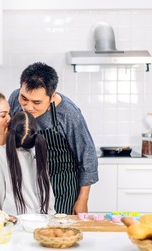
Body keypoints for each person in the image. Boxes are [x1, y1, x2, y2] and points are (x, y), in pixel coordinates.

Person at [8, 62, 98, 215]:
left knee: (59, 231)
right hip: (27, 183)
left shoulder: (68, 114)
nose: (28, 107)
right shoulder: (15, 100)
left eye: (36, 102)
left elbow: (87, 156)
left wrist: (83, 199)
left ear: (52, 96)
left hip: (61, 185)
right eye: (24, 98)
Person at [0, 111, 55, 216]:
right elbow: (46, 187)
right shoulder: (38, 150)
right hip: (38, 216)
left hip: (11, 217)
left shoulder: (0, 153)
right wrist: (51, 212)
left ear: (8, 130)